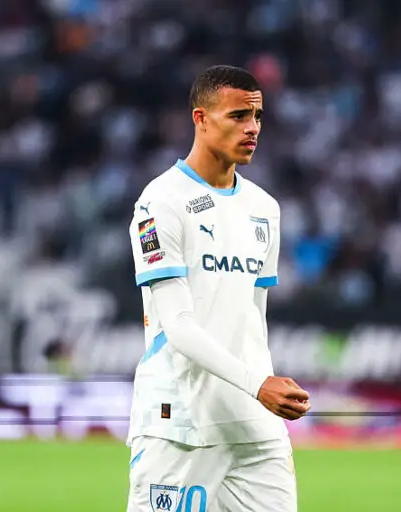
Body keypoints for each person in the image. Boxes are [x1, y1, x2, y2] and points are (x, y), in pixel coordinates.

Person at [126, 65, 311, 512]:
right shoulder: (160, 202)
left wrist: (265, 389)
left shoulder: (264, 208)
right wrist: (259, 384)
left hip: (255, 425)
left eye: (258, 117)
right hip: (181, 424)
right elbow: (178, 324)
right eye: (238, 116)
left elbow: (254, 319)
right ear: (201, 118)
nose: (252, 129)